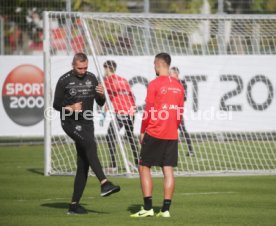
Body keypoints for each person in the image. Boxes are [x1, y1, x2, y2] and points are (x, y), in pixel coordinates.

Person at [53, 53, 120, 215]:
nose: (83, 71)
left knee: (84, 163)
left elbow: (100, 102)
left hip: (87, 123)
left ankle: (74, 205)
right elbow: (55, 105)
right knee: (91, 144)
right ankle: (104, 182)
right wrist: (69, 108)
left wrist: (101, 94)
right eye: (79, 68)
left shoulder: (92, 77)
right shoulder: (64, 80)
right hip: (70, 122)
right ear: (73, 65)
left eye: (85, 68)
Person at [130, 53, 184, 218]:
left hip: (155, 131)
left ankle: (147, 208)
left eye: (154, 64)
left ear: (158, 64)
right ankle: (166, 210)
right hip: (171, 134)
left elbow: (149, 110)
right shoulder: (179, 86)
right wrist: (173, 127)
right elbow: (180, 112)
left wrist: (141, 131)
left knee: (143, 166)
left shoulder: (154, 84)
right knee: (168, 170)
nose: (154, 67)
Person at [100, 60, 139, 171]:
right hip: (131, 111)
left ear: (108, 68)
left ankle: (113, 165)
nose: (104, 71)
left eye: (105, 68)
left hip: (121, 112)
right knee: (130, 137)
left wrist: (103, 114)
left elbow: (107, 99)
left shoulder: (108, 81)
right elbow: (133, 97)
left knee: (110, 135)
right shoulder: (124, 80)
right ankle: (138, 163)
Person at [170, 66, 194, 157]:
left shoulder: (182, 83)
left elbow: (184, 98)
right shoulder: (168, 82)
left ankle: (190, 150)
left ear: (176, 74)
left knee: (183, 130)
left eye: (171, 73)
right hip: (168, 110)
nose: (169, 74)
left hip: (177, 110)